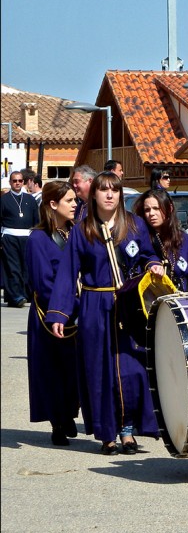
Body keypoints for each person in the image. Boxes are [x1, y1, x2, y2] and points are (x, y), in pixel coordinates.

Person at [45, 171, 165, 455]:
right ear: (95, 194)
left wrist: (153, 265)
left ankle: (128, 431)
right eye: (104, 190)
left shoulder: (134, 225)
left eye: (115, 189)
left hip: (128, 306)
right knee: (99, 372)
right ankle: (106, 434)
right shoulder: (82, 230)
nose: (110, 195)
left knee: (131, 370)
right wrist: (59, 314)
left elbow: (148, 254)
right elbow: (66, 273)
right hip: (94, 306)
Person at [26, 180, 81, 445]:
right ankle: (57, 422)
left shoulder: (76, 232)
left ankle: (69, 413)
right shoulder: (38, 238)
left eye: (74, 199)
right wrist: (66, 307)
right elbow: (43, 282)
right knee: (51, 370)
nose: (75, 204)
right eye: (69, 200)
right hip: (49, 314)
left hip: (78, 313)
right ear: (52, 204)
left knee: (73, 369)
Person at [133, 188, 188, 291]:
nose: (151, 213)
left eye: (156, 208)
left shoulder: (185, 240)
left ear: (169, 208)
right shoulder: (139, 238)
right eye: (147, 210)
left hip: (180, 300)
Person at [1, 168, 40, 307]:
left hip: (27, 237)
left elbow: (37, 220)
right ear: (10, 182)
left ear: (23, 182)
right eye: (14, 181)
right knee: (13, 268)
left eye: (20, 181)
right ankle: (15, 296)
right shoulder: (4, 200)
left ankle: (25, 294)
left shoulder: (30, 199)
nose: (17, 183)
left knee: (26, 267)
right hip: (9, 237)